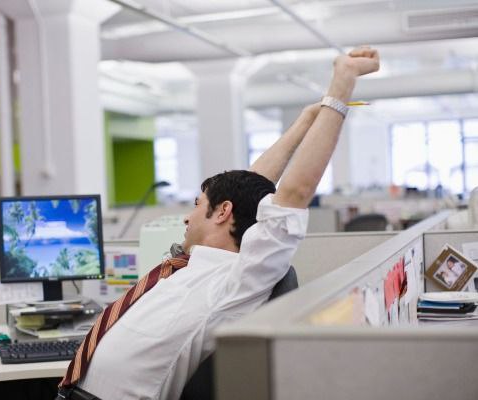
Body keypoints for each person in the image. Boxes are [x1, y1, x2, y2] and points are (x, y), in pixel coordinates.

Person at [57, 46, 380, 400]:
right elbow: (247, 187)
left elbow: (295, 193)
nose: (186, 216)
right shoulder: (191, 264)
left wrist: (340, 88)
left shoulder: (239, 279)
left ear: (222, 213)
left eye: (197, 205)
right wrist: (305, 120)